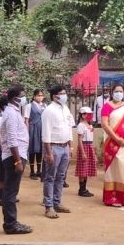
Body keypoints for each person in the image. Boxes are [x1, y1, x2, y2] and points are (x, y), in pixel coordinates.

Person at [0, 85, 32, 234]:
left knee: (11, 191)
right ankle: (10, 225)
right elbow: (12, 139)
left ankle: (11, 222)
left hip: (17, 155)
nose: (25, 98)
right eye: (23, 95)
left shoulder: (14, 112)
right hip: (13, 157)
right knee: (10, 192)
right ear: (14, 98)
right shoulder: (11, 114)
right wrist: (18, 161)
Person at [41, 85, 73, 219]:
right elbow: (46, 133)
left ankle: (57, 203)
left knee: (61, 177)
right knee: (50, 177)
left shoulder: (65, 108)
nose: (65, 96)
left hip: (65, 146)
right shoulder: (49, 111)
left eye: (65, 93)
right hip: (54, 147)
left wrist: (70, 146)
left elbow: (69, 128)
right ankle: (49, 206)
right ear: (55, 96)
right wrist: (48, 153)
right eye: (62, 93)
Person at [75, 106, 97, 197]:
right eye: (88, 114)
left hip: (89, 146)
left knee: (87, 169)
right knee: (82, 169)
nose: (90, 116)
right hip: (84, 147)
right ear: (83, 115)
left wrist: (93, 150)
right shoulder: (81, 125)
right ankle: (81, 189)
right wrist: (83, 152)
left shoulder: (90, 125)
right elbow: (80, 140)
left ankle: (84, 188)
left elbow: (91, 138)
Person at [25, 89, 46, 180]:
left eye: (41, 95)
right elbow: (26, 120)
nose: (40, 97)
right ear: (34, 96)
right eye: (38, 95)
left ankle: (39, 171)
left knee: (40, 150)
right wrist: (27, 132)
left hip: (42, 130)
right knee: (32, 150)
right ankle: (32, 171)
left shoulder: (45, 106)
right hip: (33, 129)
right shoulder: (29, 106)